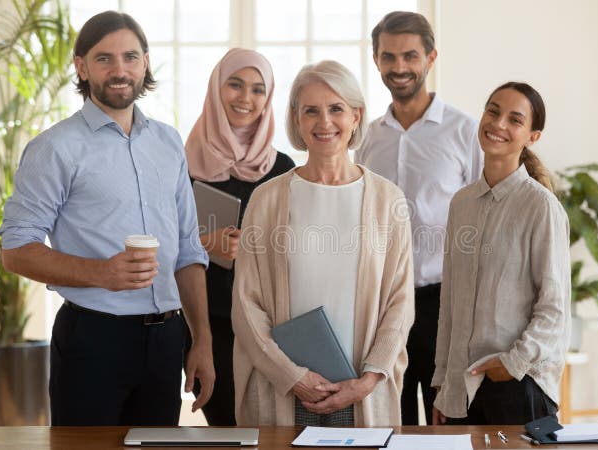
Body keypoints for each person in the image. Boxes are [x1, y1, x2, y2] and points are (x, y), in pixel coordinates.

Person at [0, 11, 215, 426]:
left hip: (166, 340)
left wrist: (201, 340)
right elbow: (16, 250)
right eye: (104, 59)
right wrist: (102, 273)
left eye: (130, 57)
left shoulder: (168, 142)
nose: (120, 70)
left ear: (146, 61)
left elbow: (189, 247)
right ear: (81, 66)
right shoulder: (55, 149)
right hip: (92, 340)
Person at [231, 60, 414, 426]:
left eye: (336, 109)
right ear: (296, 119)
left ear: (356, 116)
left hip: (361, 389)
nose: (324, 122)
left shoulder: (387, 199)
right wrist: (291, 376)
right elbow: (245, 303)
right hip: (283, 386)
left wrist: (369, 379)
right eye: (310, 111)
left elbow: (400, 300)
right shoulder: (267, 199)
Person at [354, 11, 484, 425]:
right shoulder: (367, 138)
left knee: (450, 422)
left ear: (431, 57)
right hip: (383, 303)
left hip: (444, 302)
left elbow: (486, 220)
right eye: (388, 57)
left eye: (410, 55)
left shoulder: (465, 132)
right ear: (376, 60)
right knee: (392, 418)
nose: (399, 67)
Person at [431, 82, 571, 425]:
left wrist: (512, 364)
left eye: (514, 119)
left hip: (519, 387)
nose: (498, 124)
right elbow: (450, 301)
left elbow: (554, 307)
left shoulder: (541, 207)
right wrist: (443, 384)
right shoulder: (461, 204)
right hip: (462, 393)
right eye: (493, 111)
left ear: (532, 137)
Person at [184, 48, 295, 425]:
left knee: (272, 428)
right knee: (224, 429)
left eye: (258, 89)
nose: (245, 98)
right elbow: (156, 244)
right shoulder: (181, 162)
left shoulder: (282, 168)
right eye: (235, 84)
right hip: (205, 323)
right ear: (217, 87)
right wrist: (204, 245)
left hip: (268, 326)